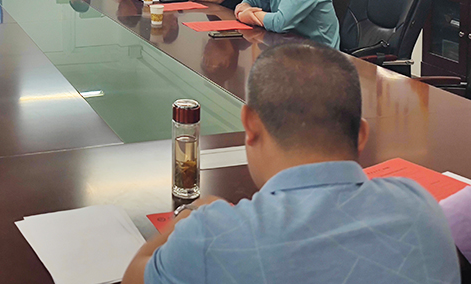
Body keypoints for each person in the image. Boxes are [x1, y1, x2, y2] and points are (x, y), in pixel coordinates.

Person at [124, 41, 461, 284]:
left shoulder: (211, 236)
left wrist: (190, 214)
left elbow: (134, 275)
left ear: (251, 125)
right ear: (361, 136)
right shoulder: (422, 211)